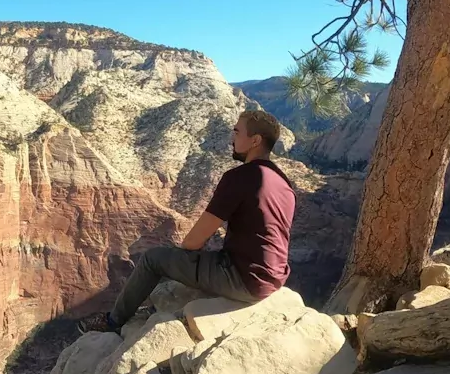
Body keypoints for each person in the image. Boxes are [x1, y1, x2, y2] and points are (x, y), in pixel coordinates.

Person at [78, 109, 297, 333]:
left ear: (255, 140)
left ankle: (114, 321)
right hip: (274, 277)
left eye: (237, 132)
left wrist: (180, 257)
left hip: (245, 279)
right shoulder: (283, 181)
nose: (232, 138)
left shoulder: (241, 177)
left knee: (153, 259)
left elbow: (193, 242)